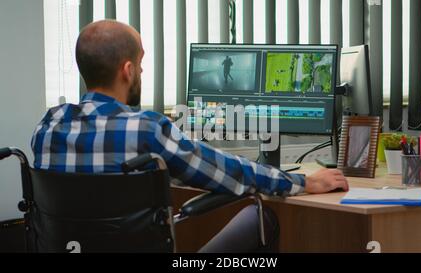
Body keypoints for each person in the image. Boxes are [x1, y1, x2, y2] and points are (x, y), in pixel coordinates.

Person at [31, 20, 349, 253]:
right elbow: (224, 171)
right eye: (140, 65)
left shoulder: (48, 127)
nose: (141, 73)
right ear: (127, 70)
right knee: (261, 216)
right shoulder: (146, 129)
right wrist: (304, 182)